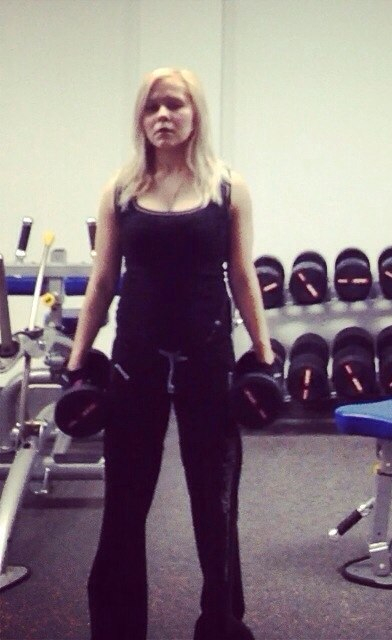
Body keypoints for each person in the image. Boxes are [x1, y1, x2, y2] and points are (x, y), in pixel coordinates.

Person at [66, 67, 274, 640]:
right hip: (135, 362)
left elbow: (242, 274)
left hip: (208, 361)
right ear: (141, 118)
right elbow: (102, 279)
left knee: (216, 500)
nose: (163, 115)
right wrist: (78, 359)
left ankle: (221, 623)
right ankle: (117, 629)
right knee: (125, 500)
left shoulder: (227, 187)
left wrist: (263, 353)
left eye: (175, 105)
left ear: (194, 114)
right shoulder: (121, 189)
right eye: (152, 106)